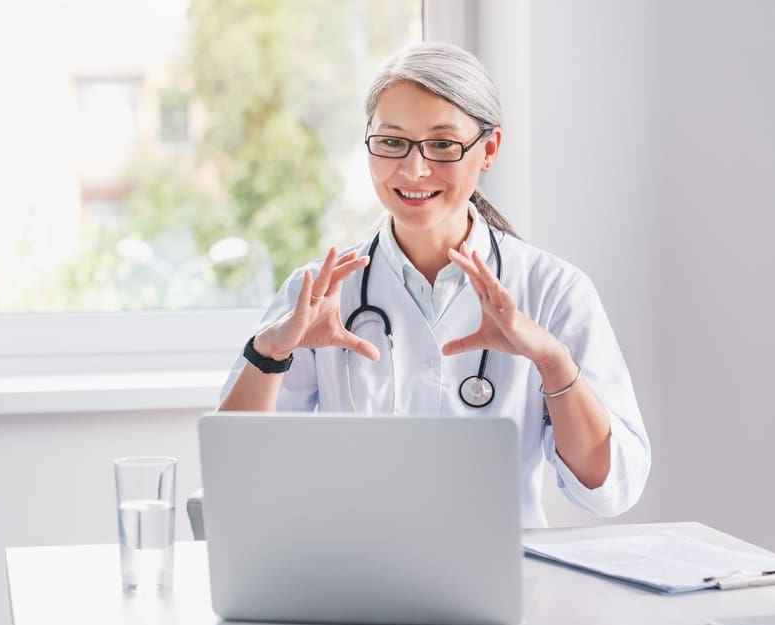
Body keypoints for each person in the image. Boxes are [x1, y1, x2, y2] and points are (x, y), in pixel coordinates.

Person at [218, 42, 650, 528]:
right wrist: (270, 350)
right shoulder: (319, 292)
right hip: (355, 580)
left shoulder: (553, 289)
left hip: (503, 581)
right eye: (391, 141)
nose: (413, 169)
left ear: (488, 150)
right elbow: (239, 480)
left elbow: (610, 488)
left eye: (442, 144)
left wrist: (551, 361)